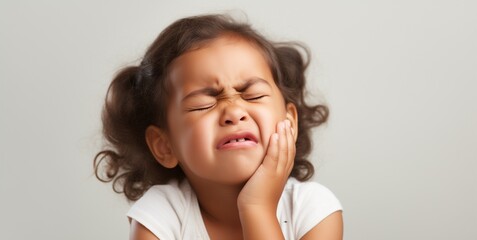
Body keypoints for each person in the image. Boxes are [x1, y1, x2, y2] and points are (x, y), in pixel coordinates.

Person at [94, 14, 343, 240]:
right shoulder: (160, 218)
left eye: (253, 95)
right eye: (203, 104)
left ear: (289, 121)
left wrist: (257, 208)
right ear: (164, 146)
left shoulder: (313, 210)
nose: (234, 112)